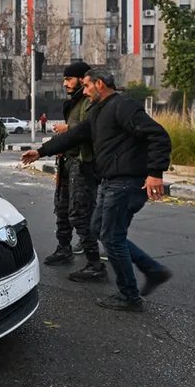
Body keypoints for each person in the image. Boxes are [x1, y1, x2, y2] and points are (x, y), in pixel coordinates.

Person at [21, 68, 173, 312]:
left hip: (126, 182)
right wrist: (41, 151)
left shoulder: (122, 106)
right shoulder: (97, 112)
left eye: (87, 85)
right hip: (110, 181)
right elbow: (74, 136)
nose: (85, 90)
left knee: (112, 237)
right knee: (99, 229)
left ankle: (129, 296)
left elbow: (158, 136)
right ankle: (153, 270)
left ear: (99, 84)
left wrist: (155, 173)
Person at [44, 61, 108, 282]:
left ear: (82, 80)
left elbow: (89, 130)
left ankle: (94, 263)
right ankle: (64, 249)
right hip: (67, 162)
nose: (64, 84)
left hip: (83, 164)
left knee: (79, 213)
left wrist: (67, 130)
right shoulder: (73, 102)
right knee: (61, 208)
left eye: (68, 79)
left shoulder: (89, 102)